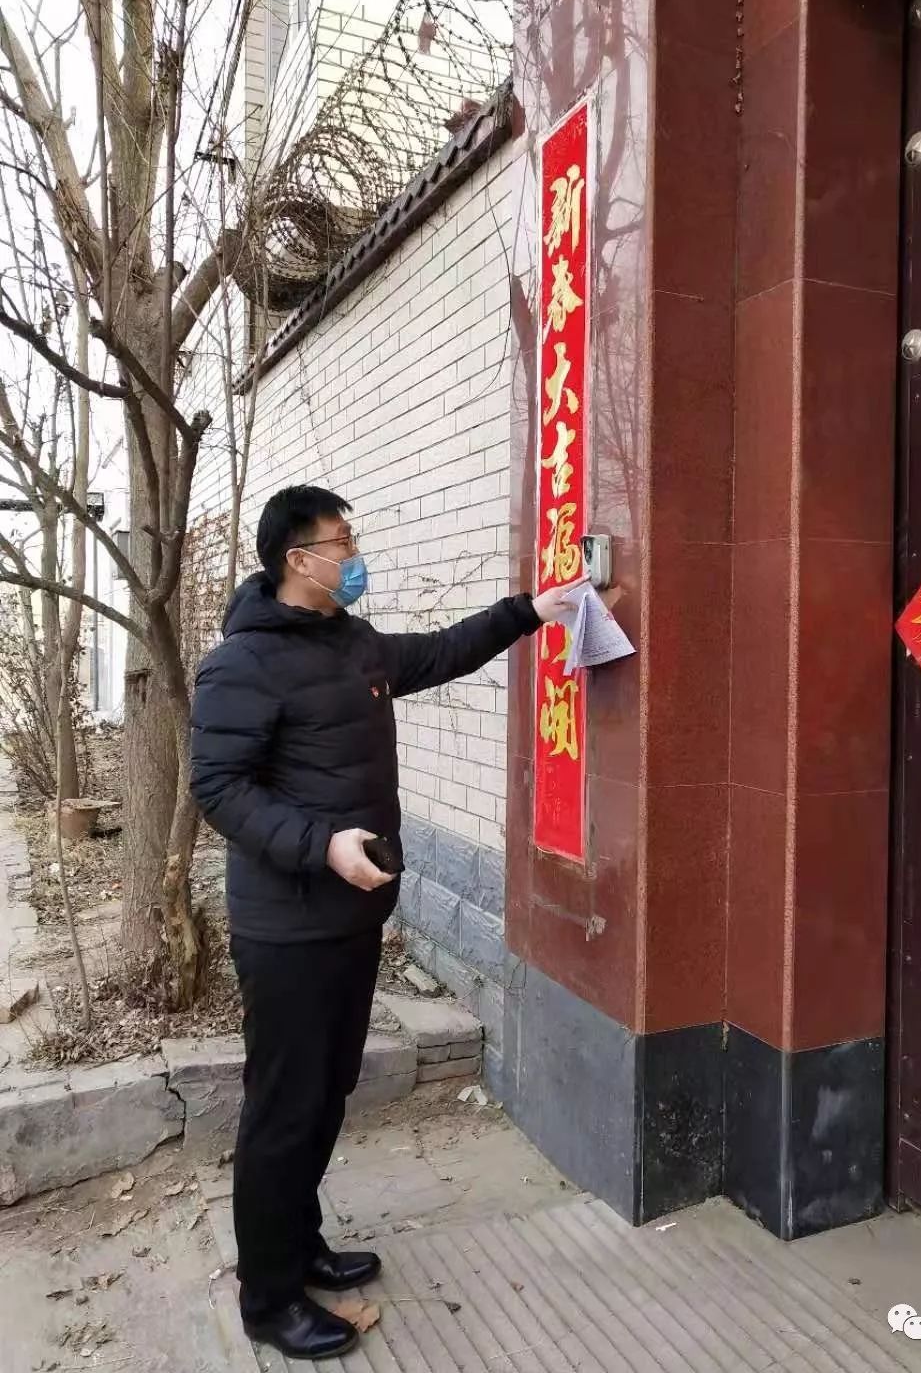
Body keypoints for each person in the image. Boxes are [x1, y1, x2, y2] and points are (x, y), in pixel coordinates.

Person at [189, 484, 585, 1360]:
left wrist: (532, 610)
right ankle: (268, 1299)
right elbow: (217, 788)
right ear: (300, 559)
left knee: (327, 1090)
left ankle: (298, 1246)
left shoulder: (351, 642)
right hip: (287, 927)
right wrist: (321, 845)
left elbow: (439, 653)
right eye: (343, 541)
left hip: (351, 914)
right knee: (285, 1107)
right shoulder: (242, 664)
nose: (355, 553)